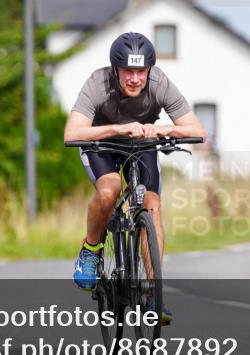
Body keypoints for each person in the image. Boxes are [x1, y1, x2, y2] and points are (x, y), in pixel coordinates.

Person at [63, 32, 205, 323]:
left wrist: (163, 130)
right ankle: (91, 250)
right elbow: (73, 133)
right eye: (128, 71)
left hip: (141, 144)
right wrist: (118, 128)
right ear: (116, 69)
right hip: (102, 144)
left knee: (151, 206)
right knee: (109, 190)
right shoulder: (97, 83)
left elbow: (197, 130)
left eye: (141, 71)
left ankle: (153, 296)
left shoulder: (159, 83)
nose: (135, 78)